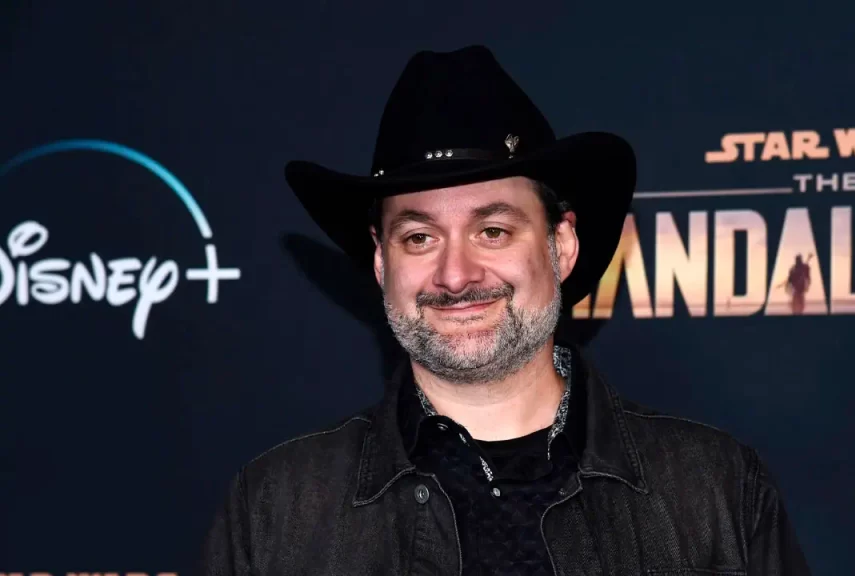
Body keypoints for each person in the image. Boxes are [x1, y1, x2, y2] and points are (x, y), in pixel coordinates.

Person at [200, 45, 811, 575]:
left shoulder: (715, 489)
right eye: (419, 237)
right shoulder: (278, 506)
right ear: (383, 262)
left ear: (561, 246)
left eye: (492, 231)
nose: (456, 274)